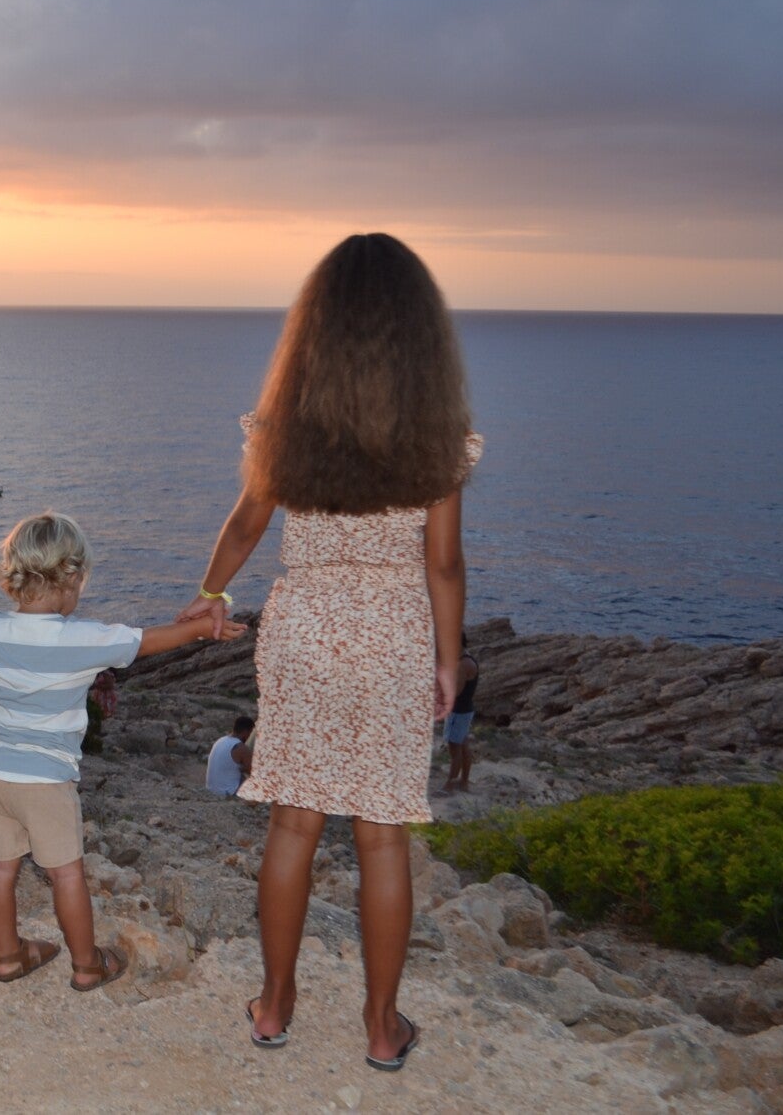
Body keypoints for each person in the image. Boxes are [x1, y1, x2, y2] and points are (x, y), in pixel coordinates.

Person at [176, 233, 481, 1072]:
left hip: (305, 628)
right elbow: (443, 564)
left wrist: (208, 594)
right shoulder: (438, 436)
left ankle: (273, 1007)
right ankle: (381, 1028)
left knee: (292, 824)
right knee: (383, 838)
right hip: (393, 634)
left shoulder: (287, 427)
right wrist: (446, 662)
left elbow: (246, 523)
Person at [0, 512, 245, 990]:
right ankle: (87, 965)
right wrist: (203, 628)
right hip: (47, 781)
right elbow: (149, 641)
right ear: (72, 579)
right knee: (67, 875)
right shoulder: (83, 639)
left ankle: (9, 956)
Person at [442, 637, 480, 791]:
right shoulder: (468, 659)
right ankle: (464, 782)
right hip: (465, 709)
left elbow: (456, 692)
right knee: (463, 745)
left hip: (457, 711)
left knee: (455, 748)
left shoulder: (462, 665)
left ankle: (449, 786)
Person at [206, 716, 256, 797]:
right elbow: (253, 772)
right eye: (250, 733)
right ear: (245, 732)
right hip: (227, 792)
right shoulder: (241, 748)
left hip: (211, 789)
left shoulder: (221, 740)